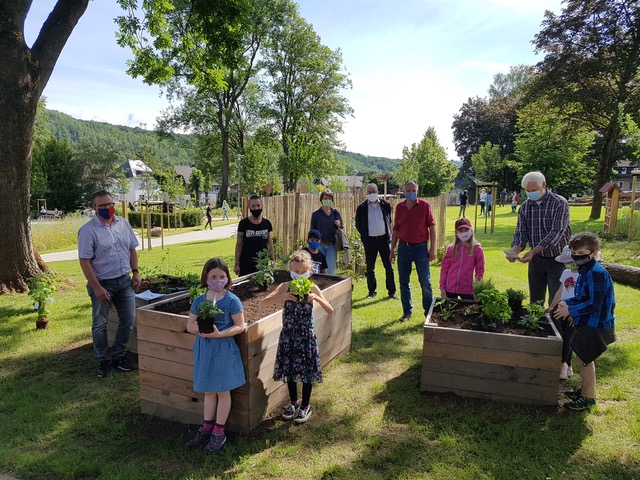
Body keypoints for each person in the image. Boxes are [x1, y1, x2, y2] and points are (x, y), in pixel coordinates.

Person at [261, 250, 334, 424]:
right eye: (296, 272)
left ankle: (305, 406)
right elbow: (264, 303)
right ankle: (294, 402)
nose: (300, 276)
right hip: (289, 336)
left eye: (303, 272)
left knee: (307, 372)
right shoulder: (286, 286)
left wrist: (316, 298)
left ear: (310, 271)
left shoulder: (312, 287)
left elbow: (330, 310)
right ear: (290, 270)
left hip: (306, 336)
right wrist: (282, 296)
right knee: (290, 370)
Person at [78, 190, 141, 378]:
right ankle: (102, 360)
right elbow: (84, 261)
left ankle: (118, 357)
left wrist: (136, 272)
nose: (107, 208)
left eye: (109, 204)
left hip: (124, 281)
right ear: (94, 208)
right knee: (100, 324)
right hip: (102, 283)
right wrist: (96, 287)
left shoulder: (123, 224)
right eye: (102, 206)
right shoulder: (88, 231)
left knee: (128, 319)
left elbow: (132, 249)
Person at [185, 258, 246, 452]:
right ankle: (207, 428)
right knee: (209, 390)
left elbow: (240, 326)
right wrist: (198, 330)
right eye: (213, 276)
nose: (217, 280)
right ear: (206, 278)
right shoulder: (200, 300)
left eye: (222, 276)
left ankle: (219, 433)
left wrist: (220, 334)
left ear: (227, 278)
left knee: (222, 391)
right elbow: (189, 325)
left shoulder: (231, 301)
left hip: (223, 351)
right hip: (205, 350)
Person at [553, 232, 616, 411]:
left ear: (594, 253)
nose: (577, 257)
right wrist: (566, 303)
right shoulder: (585, 270)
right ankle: (584, 390)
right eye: (574, 253)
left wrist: (571, 310)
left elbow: (594, 304)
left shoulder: (596, 273)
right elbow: (582, 297)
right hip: (587, 321)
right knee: (582, 357)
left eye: (581, 253)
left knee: (585, 360)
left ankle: (588, 397)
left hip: (596, 324)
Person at [508, 171, 571, 305]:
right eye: (528, 191)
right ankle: (536, 324)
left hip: (558, 258)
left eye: (534, 190)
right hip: (536, 260)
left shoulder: (559, 203)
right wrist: (515, 252)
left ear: (544, 185)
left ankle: (556, 326)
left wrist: (533, 251)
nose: (531, 193)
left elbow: (556, 232)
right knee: (535, 301)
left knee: (556, 300)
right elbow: (521, 232)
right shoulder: (525, 207)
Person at [389, 180, 436, 322]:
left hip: (421, 248)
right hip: (404, 248)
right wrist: (392, 250)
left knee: (425, 282)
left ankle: (428, 313)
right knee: (403, 282)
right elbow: (396, 229)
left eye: (413, 190)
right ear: (403, 191)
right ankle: (407, 312)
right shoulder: (399, 208)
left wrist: (432, 248)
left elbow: (432, 228)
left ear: (417, 190)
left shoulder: (424, 206)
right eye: (408, 190)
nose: (411, 192)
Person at [355, 183, 397, 299]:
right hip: (370, 242)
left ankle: (392, 292)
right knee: (370, 268)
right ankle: (372, 291)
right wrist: (366, 236)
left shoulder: (386, 205)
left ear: (377, 192)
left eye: (373, 191)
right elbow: (358, 224)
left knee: (389, 267)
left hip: (384, 240)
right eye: (369, 192)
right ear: (366, 194)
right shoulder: (361, 208)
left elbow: (389, 220)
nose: (372, 194)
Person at [547, 245, 579, 380]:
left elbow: (582, 296)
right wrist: (552, 306)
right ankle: (568, 365)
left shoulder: (583, 276)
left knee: (568, 339)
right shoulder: (566, 273)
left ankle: (562, 365)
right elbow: (560, 290)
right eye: (565, 262)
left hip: (573, 313)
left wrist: (574, 312)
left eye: (569, 261)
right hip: (561, 309)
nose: (567, 264)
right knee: (562, 336)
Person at [439, 218, 484, 300]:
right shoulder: (451, 248)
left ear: (471, 230)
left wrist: (477, 288)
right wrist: (442, 286)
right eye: (461, 231)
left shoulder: (477, 248)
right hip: (451, 288)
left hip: (467, 289)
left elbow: (480, 269)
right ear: (456, 233)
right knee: (450, 310)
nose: (464, 233)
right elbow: (444, 268)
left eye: (466, 230)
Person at [234, 195, 274, 277]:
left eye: (258, 205)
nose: (256, 208)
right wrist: (236, 264)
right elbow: (239, 244)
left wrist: (272, 261)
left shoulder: (267, 223)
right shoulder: (243, 224)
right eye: (253, 206)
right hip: (246, 264)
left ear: (262, 206)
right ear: (249, 207)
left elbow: (269, 243)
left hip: (262, 264)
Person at [310, 189, 343, 275]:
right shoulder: (316, 214)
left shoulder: (335, 213)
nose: (327, 200)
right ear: (321, 199)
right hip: (319, 245)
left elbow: (342, 226)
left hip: (332, 246)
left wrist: (339, 224)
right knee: (318, 271)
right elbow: (312, 231)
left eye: (329, 198)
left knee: (330, 272)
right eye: (325, 198)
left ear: (332, 200)